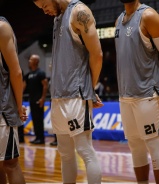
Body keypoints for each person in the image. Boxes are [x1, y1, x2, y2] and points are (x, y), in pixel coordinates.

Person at [32, 0, 103, 183]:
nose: (44, 11)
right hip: (58, 97)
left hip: (76, 96)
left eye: (44, 5)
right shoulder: (57, 18)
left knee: (85, 150)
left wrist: (90, 88)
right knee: (64, 153)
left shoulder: (79, 12)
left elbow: (97, 55)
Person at [115, 1, 159, 183]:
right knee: (135, 146)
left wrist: (158, 82)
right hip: (125, 94)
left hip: (147, 95)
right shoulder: (119, 20)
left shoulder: (148, 16)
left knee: (153, 144)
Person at [0, 16, 27, 184]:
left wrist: (18, 105)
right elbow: (16, 72)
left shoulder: (2, 28)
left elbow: (16, 72)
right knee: (6, 164)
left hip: (3, 110)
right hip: (3, 109)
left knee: (9, 163)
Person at [23, 54, 48, 144]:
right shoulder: (29, 74)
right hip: (31, 99)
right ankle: (37, 137)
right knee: (34, 119)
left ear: (36, 61)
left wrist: (43, 98)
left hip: (39, 99)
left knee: (39, 119)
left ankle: (41, 138)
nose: (29, 61)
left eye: (31, 59)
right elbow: (23, 86)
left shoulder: (40, 73)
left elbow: (45, 85)